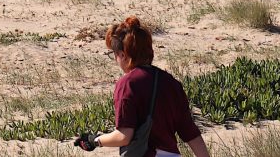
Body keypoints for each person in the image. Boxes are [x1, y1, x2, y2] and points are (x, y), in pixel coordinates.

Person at [74, 16, 210, 156]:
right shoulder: (171, 83)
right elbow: (190, 132)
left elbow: (124, 136)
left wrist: (94, 140)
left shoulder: (128, 84)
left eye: (114, 55)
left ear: (123, 54)